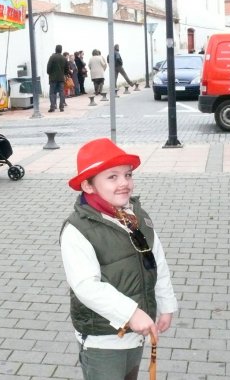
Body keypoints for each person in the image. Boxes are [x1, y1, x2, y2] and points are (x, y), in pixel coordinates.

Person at [60, 138, 177, 380]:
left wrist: (166, 304)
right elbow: (85, 286)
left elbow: (157, 262)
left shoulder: (137, 216)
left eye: (127, 174)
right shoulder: (77, 229)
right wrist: (131, 314)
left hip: (136, 333)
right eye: (112, 177)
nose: (124, 183)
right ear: (89, 186)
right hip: (103, 340)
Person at [46, 44, 68, 112]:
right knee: (61, 92)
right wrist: (64, 74)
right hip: (61, 78)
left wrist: (50, 73)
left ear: (55, 49)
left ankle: (52, 106)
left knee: (52, 92)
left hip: (53, 78)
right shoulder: (64, 58)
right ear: (61, 50)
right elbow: (67, 69)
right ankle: (61, 107)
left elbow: (48, 68)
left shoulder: (52, 57)